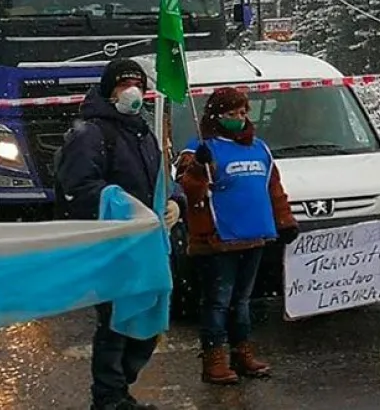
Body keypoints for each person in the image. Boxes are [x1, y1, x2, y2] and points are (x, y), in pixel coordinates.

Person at [56, 58, 182, 410]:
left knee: (148, 319)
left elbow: (163, 176)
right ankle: (109, 398)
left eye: (138, 85)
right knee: (116, 322)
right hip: (113, 246)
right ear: (108, 89)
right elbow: (78, 189)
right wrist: (124, 206)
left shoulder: (143, 130)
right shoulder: (91, 133)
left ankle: (120, 387)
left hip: (148, 245)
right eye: (123, 84)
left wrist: (176, 200)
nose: (132, 92)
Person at [174, 87, 299, 384]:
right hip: (217, 241)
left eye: (243, 113)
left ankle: (242, 353)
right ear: (217, 116)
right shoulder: (200, 149)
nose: (239, 119)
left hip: (253, 237)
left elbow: (273, 188)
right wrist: (198, 170)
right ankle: (214, 358)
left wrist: (285, 220)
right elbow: (186, 189)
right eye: (231, 114)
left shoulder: (260, 149)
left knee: (241, 301)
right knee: (218, 301)